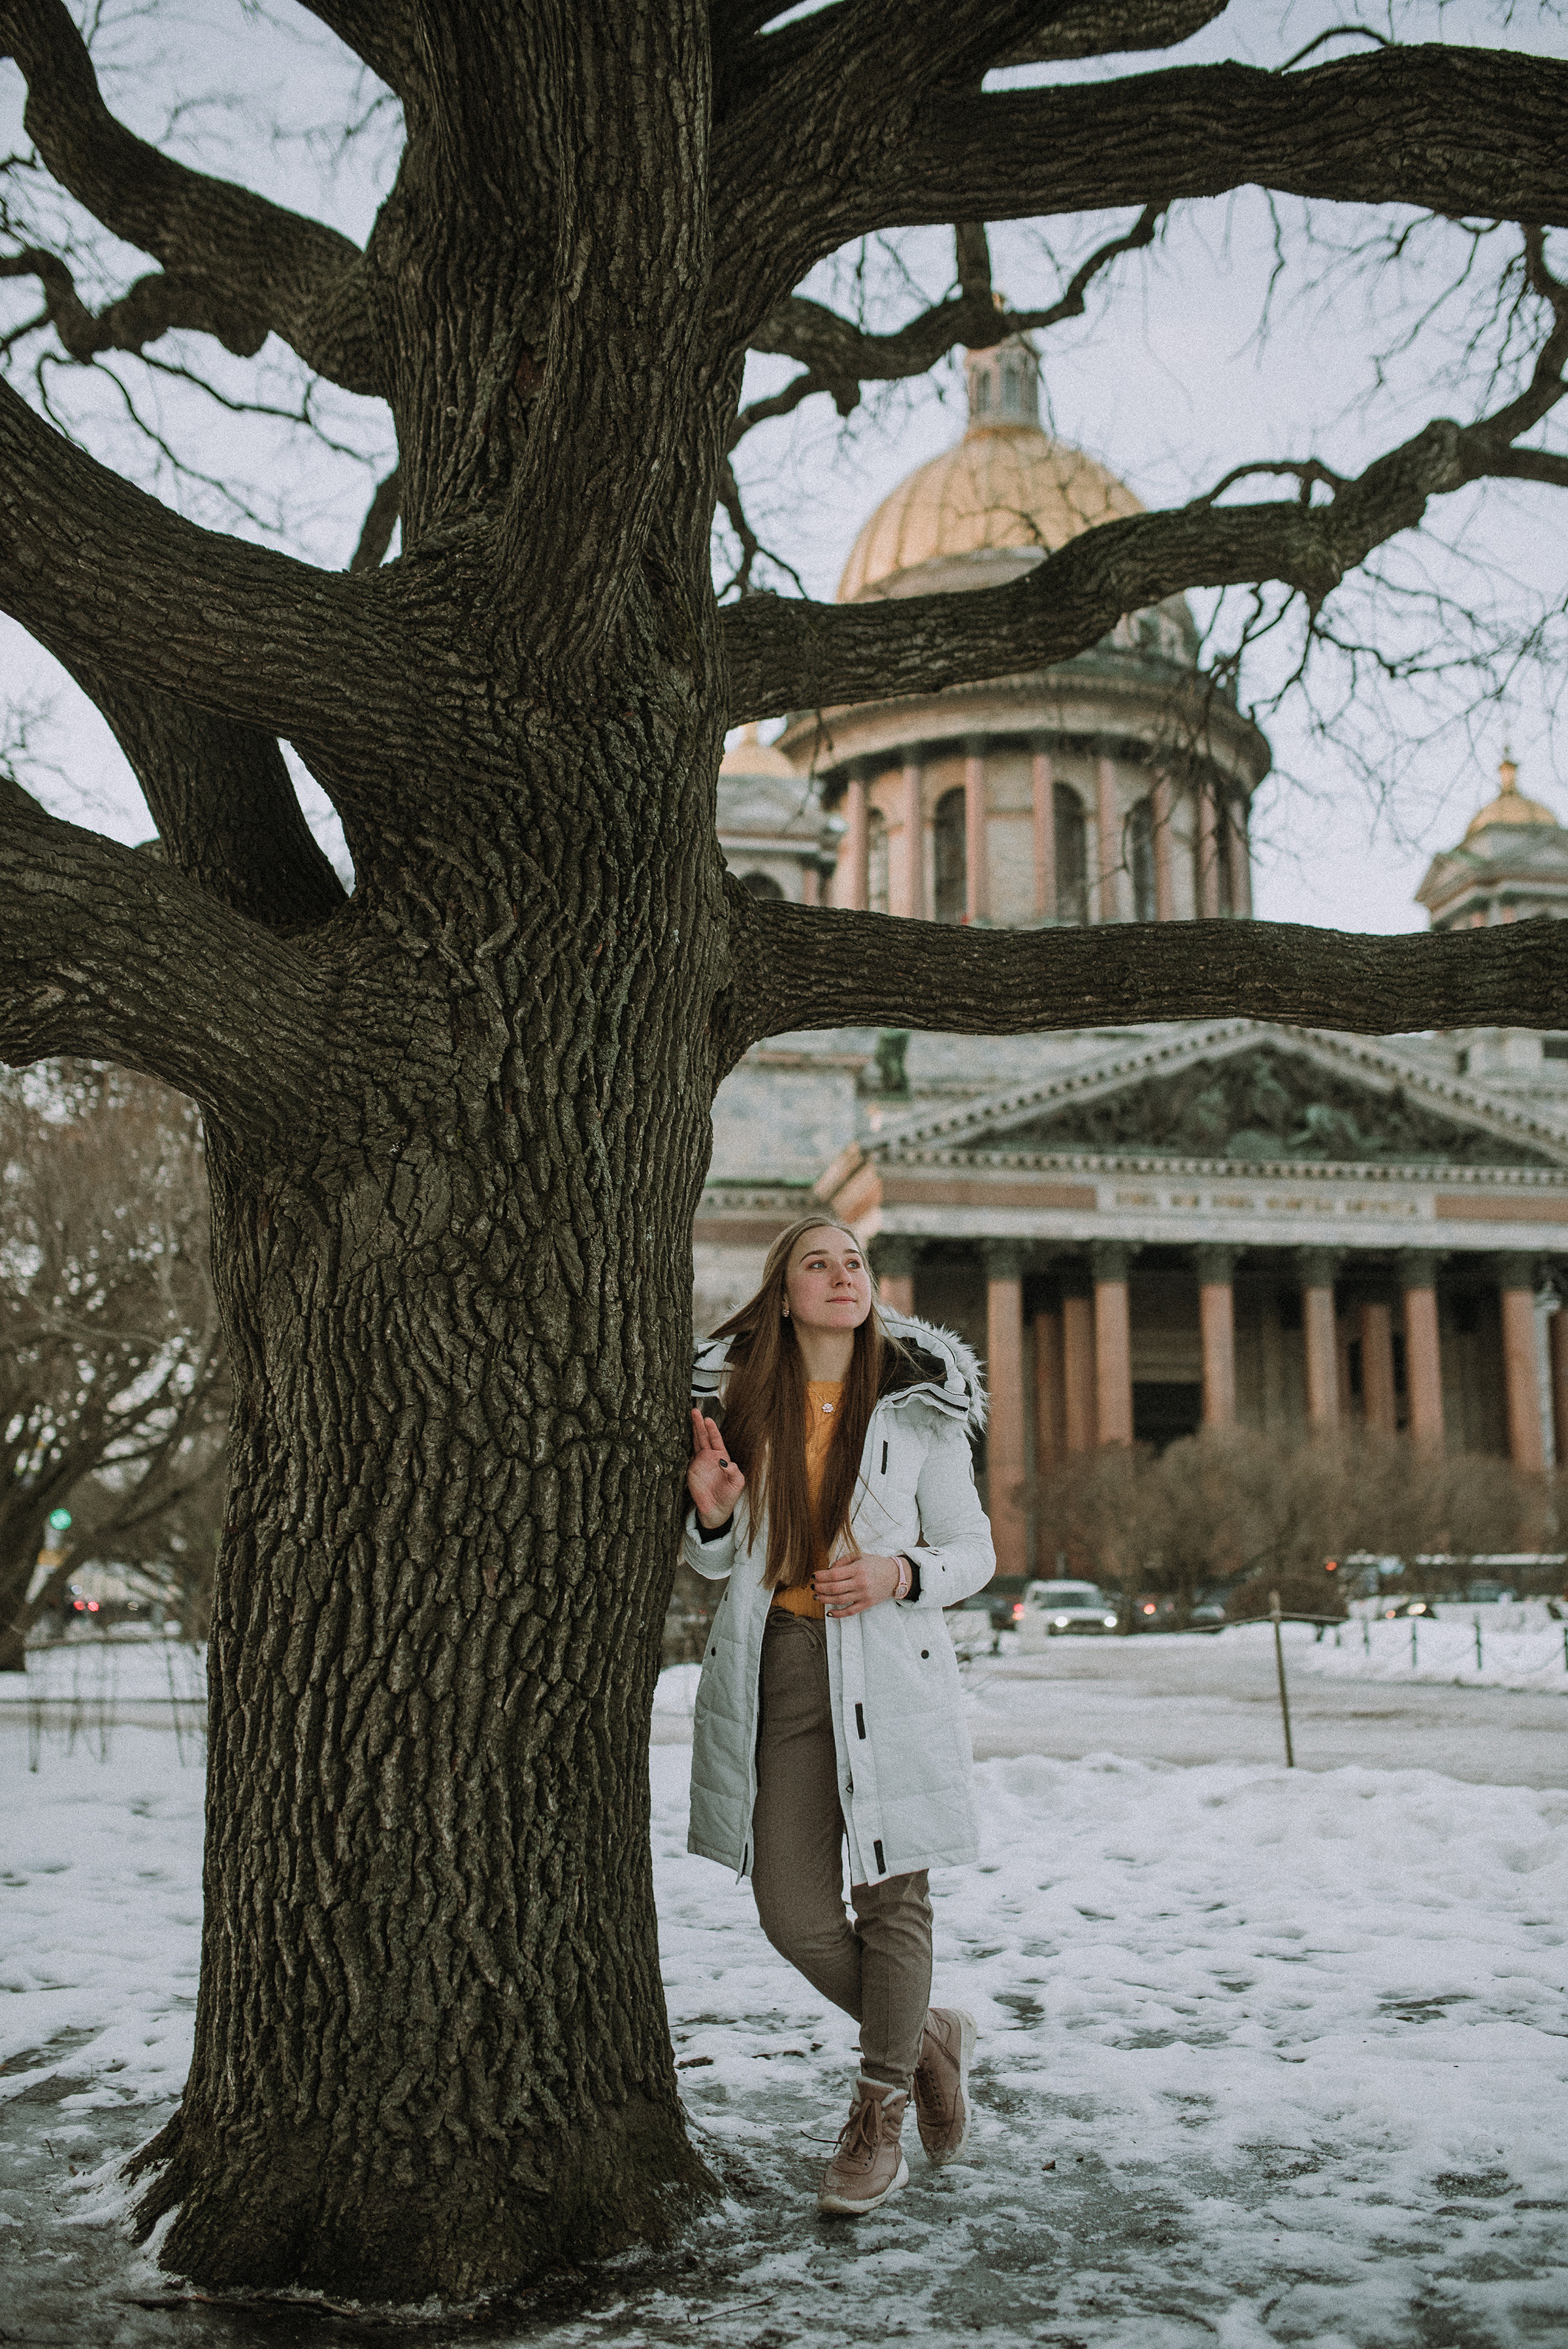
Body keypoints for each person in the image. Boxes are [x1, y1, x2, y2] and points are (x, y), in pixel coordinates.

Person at [682, 1213, 995, 2216]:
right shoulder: (740, 1401)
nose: (841, 1276)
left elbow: (972, 1551)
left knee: (893, 1900)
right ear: (783, 1292)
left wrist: (901, 1570)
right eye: (817, 1263)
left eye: (853, 1262)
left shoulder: (919, 1409)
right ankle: (926, 2037)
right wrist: (716, 1509)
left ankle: (877, 2116)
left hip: (890, 1666)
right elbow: (716, 1562)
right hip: (779, 1663)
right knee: (794, 1912)